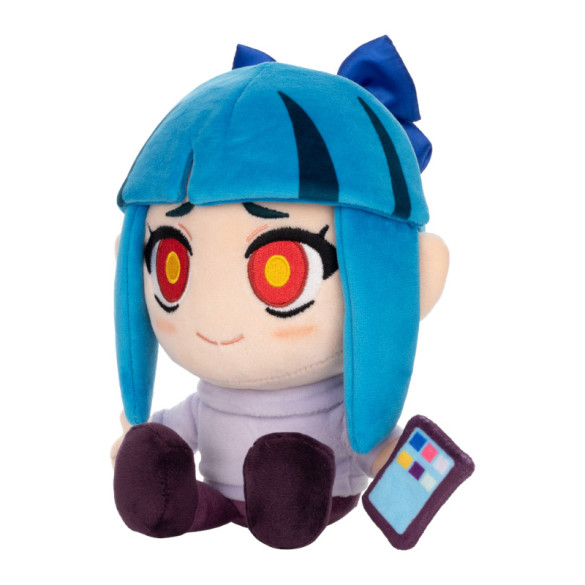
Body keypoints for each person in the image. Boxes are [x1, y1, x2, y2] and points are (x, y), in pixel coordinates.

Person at [111, 37, 449, 549]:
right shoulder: (208, 399)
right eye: (170, 264)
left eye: (281, 269)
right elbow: (181, 424)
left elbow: (375, 449)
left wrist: (394, 458)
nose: (215, 314)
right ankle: (177, 505)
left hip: (324, 497)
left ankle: (290, 498)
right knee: (155, 452)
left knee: (290, 468)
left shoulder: (345, 411)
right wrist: (137, 441)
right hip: (216, 496)